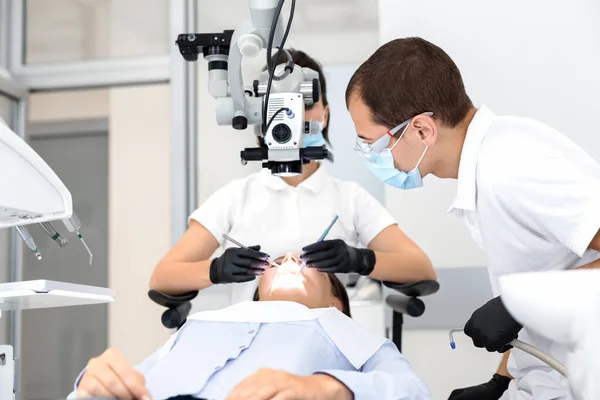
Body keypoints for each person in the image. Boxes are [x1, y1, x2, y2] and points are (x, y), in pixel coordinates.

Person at [345, 37, 600, 400]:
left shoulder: (512, 167)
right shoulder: (489, 166)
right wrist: (501, 380)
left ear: (421, 130)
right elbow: (548, 268)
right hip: (544, 381)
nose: (372, 158)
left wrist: (520, 305)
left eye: (373, 145)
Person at [150, 49, 435, 305]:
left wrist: (359, 260)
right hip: (251, 347)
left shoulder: (349, 198)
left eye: (306, 102)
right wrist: (215, 270)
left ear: (325, 113)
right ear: (260, 116)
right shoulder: (235, 198)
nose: (294, 115)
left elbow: (421, 268)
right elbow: (163, 278)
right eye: (281, 105)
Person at [71, 253, 431, 400]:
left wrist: (328, 388)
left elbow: (413, 391)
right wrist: (94, 386)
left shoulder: (349, 333)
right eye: (278, 260)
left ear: (337, 302)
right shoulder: (200, 325)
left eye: (306, 261)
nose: (290, 260)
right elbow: (125, 382)